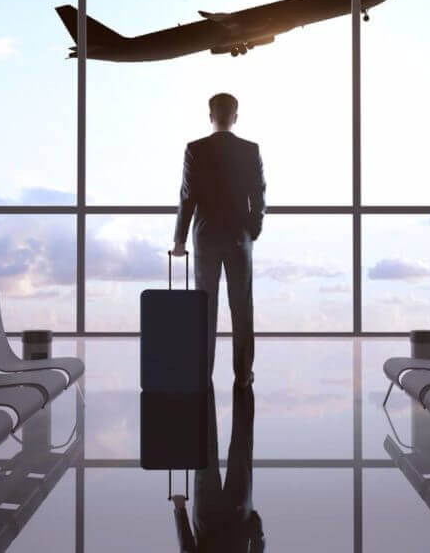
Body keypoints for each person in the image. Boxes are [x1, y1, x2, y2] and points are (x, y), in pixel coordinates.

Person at [172, 93, 266, 388]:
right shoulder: (250, 150)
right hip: (239, 238)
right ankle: (243, 376)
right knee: (241, 308)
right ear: (235, 116)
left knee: (205, 308)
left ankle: (204, 372)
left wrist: (180, 240)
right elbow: (259, 196)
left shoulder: (195, 150)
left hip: (207, 236)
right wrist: (252, 231)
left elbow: (188, 198)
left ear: (210, 115)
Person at [172, 386, 264, 552]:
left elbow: (258, 544)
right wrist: (180, 510)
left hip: (237, 520)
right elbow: (187, 549)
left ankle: (243, 380)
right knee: (206, 444)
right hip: (208, 520)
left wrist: (254, 522)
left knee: (241, 445)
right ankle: (204, 373)